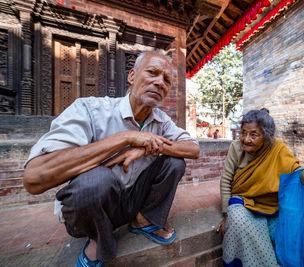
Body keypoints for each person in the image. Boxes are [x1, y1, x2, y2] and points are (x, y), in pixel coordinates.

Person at [23, 50, 200, 266]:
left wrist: (145, 148)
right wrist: (126, 138)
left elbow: (193, 149)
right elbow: (34, 177)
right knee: (94, 182)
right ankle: (98, 238)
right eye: (152, 73)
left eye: (166, 80)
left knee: (174, 161)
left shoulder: (162, 122)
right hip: (99, 205)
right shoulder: (91, 109)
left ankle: (142, 221)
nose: (159, 83)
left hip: (133, 200)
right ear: (132, 76)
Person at [216, 108, 304, 266]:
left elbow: (296, 178)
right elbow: (226, 180)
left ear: (267, 136)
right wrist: (226, 214)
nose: (246, 139)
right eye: (243, 133)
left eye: (253, 134)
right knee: (236, 218)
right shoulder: (236, 148)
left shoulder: (277, 150)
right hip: (244, 202)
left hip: (274, 206)